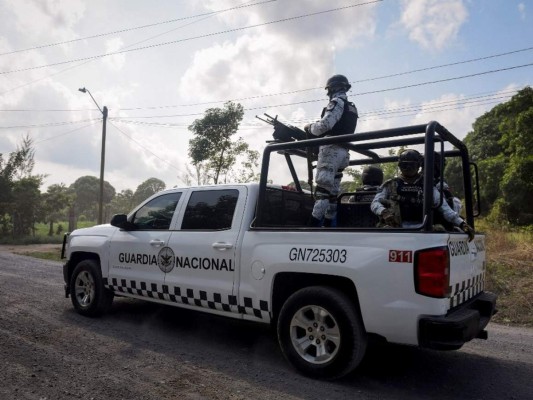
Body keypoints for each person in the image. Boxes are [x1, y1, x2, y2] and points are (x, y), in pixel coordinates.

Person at [370, 149, 475, 240]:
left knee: (440, 231)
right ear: (399, 165)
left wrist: (462, 224)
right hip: (397, 228)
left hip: (424, 229)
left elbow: (444, 207)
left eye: (411, 165)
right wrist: (384, 212)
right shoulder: (390, 184)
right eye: (404, 165)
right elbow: (375, 203)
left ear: (418, 165)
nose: (408, 168)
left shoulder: (427, 185)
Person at [304, 74, 359, 227]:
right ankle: (329, 227)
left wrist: (309, 127)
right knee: (333, 195)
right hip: (343, 153)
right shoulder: (352, 107)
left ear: (332, 89)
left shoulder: (336, 102)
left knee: (322, 193)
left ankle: (311, 228)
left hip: (331, 151)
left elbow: (324, 125)